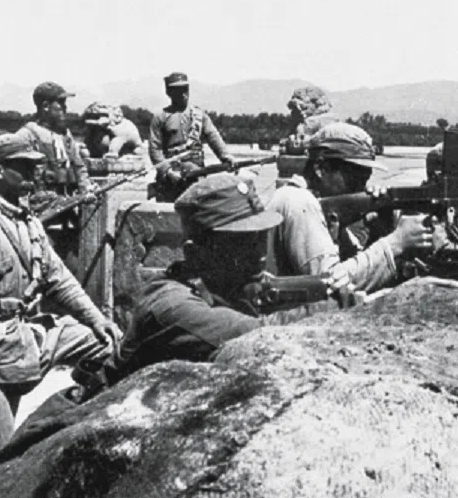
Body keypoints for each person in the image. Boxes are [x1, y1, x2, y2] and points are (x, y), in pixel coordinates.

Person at [0, 133, 121, 455]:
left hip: (30, 335)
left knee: (107, 343)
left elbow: (59, 279)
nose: (33, 174)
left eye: (34, 166)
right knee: (0, 456)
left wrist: (98, 320)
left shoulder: (28, 221)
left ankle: (74, 425)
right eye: (23, 167)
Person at [73, 175, 335, 393]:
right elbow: (260, 335)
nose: (260, 253)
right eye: (241, 243)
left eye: (260, 238)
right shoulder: (171, 307)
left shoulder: (221, 283)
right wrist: (339, 305)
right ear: (196, 252)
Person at [267, 123, 434, 293]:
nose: (361, 189)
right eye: (355, 179)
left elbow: (349, 264)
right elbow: (330, 283)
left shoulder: (316, 205)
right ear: (321, 168)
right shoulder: (298, 201)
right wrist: (396, 242)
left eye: (365, 179)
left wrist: (381, 230)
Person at [148, 72, 235, 202]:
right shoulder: (160, 118)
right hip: (172, 174)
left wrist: (227, 157)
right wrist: (167, 171)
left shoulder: (199, 115)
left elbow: (213, 137)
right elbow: (155, 149)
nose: (184, 93)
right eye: (178, 90)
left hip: (196, 172)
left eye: (185, 89)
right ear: (169, 92)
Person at [16, 81, 95, 214]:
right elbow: (16, 178)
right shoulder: (27, 135)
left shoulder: (65, 135)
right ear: (45, 106)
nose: (65, 108)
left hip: (69, 207)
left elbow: (79, 167)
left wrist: (86, 189)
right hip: (40, 210)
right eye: (61, 103)